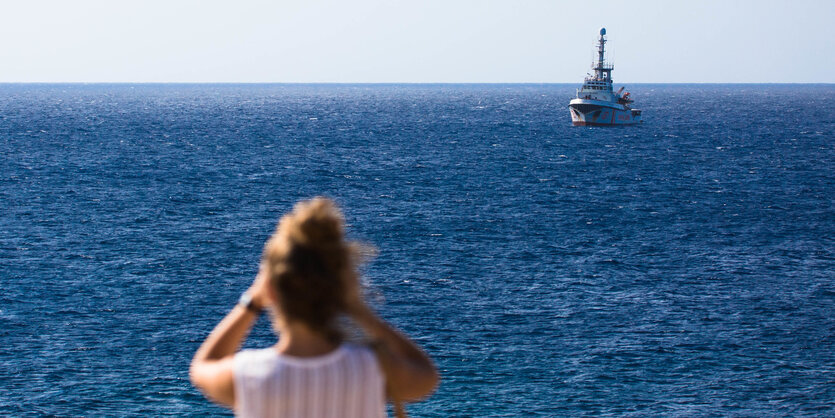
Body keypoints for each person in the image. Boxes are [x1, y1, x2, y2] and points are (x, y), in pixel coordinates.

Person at [190, 197, 438, 417]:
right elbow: (425, 375)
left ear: (272, 290)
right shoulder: (373, 368)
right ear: (340, 290)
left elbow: (202, 367)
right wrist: (358, 310)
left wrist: (252, 302)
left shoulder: (248, 376)